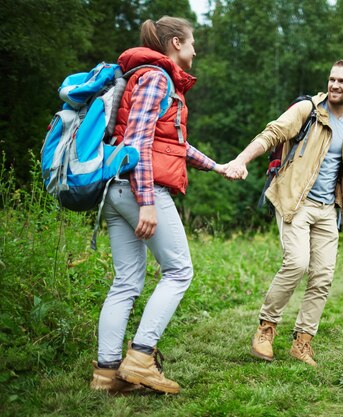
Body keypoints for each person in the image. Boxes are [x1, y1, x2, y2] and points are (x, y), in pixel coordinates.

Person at [90, 16, 228, 394]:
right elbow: (137, 142)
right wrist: (147, 202)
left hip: (117, 190)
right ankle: (140, 357)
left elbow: (173, 144)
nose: (196, 50)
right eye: (192, 42)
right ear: (176, 43)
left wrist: (218, 167)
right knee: (180, 271)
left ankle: (106, 374)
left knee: (126, 282)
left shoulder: (148, 77)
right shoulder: (155, 77)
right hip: (139, 189)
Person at [225, 60, 343, 367]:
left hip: (329, 210)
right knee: (297, 263)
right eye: (332, 79)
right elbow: (271, 134)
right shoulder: (307, 111)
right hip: (295, 201)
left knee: (323, 276)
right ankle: (267, 328)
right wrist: (241, 159)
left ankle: (302, 342)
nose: (335, 85)